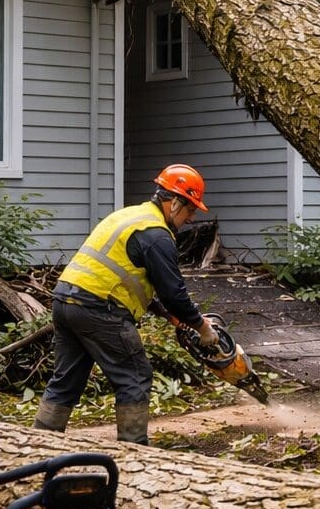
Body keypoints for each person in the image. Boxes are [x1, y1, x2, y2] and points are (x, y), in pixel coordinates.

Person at [33, 164, 219, 444]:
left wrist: (164, 313)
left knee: (66, 379)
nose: (190, 218)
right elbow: (174, 293)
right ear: (175, 203)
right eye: (190, 210)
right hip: (100, 308)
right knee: (135, 375)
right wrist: (202, 327)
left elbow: (124, 274)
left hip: (65, 301)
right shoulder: (157, 235)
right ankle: (135, 452)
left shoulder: (130, 215)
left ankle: (39, 444)